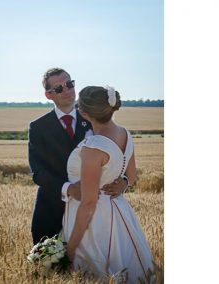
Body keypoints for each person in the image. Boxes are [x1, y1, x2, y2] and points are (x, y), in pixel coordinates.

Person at [62, 86, 154, 283]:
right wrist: (124, 184)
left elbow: (89, 203)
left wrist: (69, 251)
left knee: (98, 273)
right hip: (120, 212)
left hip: (95, 222)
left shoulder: (93, 147)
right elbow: (132, 175)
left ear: (85, 113)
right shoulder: (125, 134)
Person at [28, 68, 128, 245]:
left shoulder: (94, 117)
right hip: (51, 209)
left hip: (96, 213)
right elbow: (38, 172)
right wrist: (69, 189)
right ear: (48, 95)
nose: (66, 90)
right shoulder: (38, 127)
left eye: (69, 84)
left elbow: (118, 154)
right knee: (49, 269)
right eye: (59, 89)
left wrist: (124, 181)